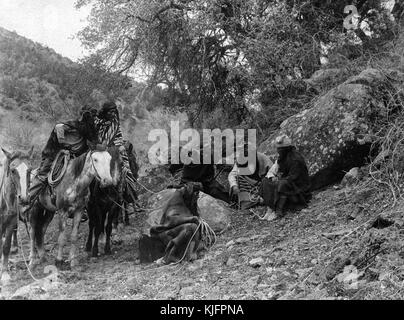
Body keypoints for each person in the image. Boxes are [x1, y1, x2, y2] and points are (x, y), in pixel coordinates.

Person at [27, 106, 99, 206]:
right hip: (54, 153)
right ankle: (27, 198)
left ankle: (82, 204)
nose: (95, 120)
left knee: (87, 176)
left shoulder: (90, 130)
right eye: (93, 117)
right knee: (43, 174)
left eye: (96, 117)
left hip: (75, 157)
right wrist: (63, 144)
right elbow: (58, 127)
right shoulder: (74, 124)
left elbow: (94, 143)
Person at [260, 134, 311, 221]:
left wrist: (279, 180)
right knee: (265, 181)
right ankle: (270, 210)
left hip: (298, 189)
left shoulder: (296, 159)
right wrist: (272, 177)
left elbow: (294, 178)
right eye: (278, 149)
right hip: (286, 184)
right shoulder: (281, 159)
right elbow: (272, 171)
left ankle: (278, 211)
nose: (279, 151)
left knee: (282, 184)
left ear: (287, 149)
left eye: (281, 149)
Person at [95, 101, 138, 203]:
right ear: (105, 112)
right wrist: (100, 145)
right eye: (110, 112)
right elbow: (93, 136)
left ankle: (131, 194)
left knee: (125, 166)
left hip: (114, 147)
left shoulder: (115, 121)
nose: (113, 114)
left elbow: (118, 135)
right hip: (98, 147)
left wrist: (120, 146)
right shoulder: (96, 122)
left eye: (114, 112)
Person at [228, 142, 272, 210]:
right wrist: (234, 186)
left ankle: (259, 200)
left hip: (261, 183)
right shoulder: (241, 159)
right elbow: (232, 174)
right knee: (237, 179)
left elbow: (273, 172)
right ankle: (253, 201)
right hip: (247, 185)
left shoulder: (262, 158)